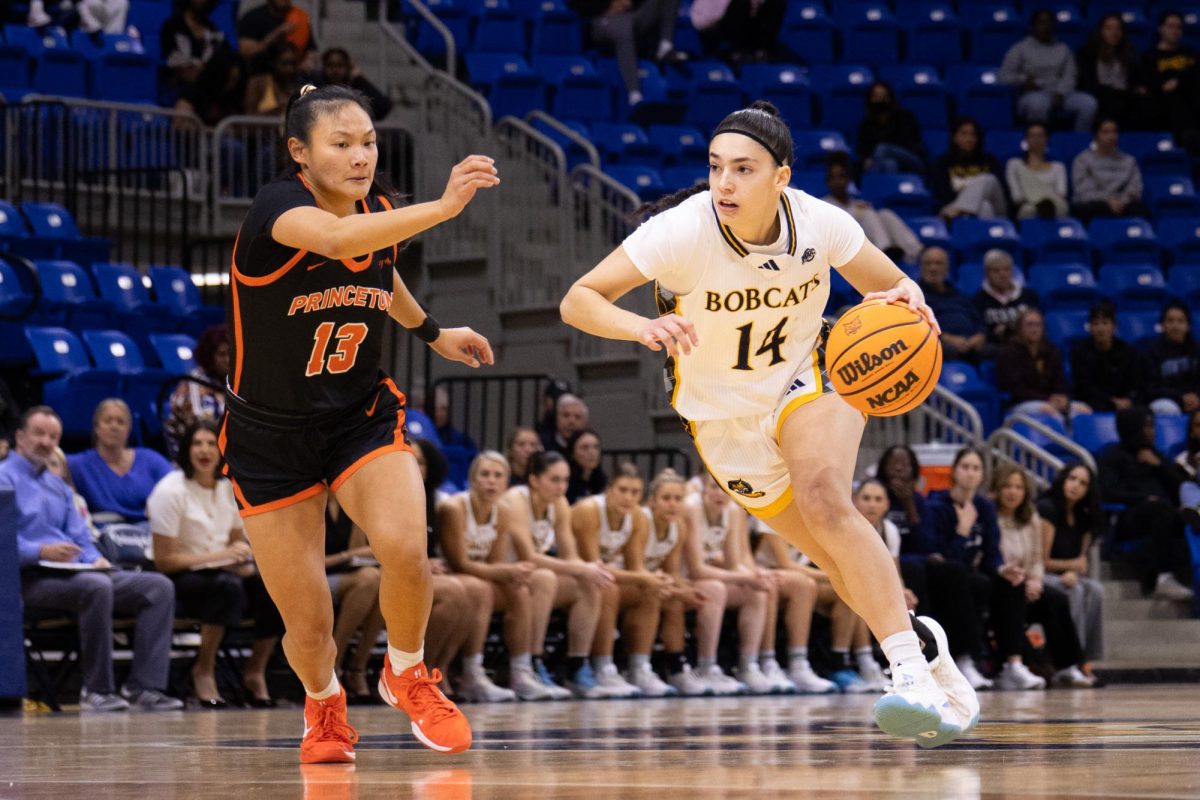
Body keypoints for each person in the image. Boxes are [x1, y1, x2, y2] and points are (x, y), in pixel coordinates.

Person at [562, 98, 979, 744]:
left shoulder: (821, 224)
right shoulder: (680, 230)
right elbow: (578, 300)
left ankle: (904, 672)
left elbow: (895, 286)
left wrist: (911, 305)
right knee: (832, 559)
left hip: (805, 380)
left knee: (826, 501)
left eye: (743, 169)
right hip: (723, 423)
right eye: (716, 167)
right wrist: (641, 325)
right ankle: (924, 641)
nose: (724, 183)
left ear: (781, 176)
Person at [217, 82, 499, 762]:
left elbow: (380, 269)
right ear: (300, 153)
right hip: (269, 435)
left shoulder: (377, 211)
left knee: (405, 544)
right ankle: (324, 706)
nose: (360, 156)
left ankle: (406, 671)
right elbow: (342, 240)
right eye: (340, 144)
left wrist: (433, 332)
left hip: (357, 415)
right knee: (309, 622)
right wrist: (444, 206)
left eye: (368, 142)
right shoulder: (277, 211)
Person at [0, 407, 183, 712]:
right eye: (39, 434)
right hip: (27, 578)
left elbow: (80, 535)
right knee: (96, 587)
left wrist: (95, 557)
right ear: (20, 436)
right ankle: (96, 690)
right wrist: (39, 551)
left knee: (157, 587)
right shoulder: (4, 478)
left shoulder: (57, 484)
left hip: (74, 571)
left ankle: (144, 687)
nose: (46, 442)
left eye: (53, 436)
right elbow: (3, 543)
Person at [148, 419, 283, 708]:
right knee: (226, 588)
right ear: (186, 450)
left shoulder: (229, 489)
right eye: (197, 443)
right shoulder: (169, 491)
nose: (205, 450)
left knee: (275, 590)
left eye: (211, 443)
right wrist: (219, 558)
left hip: (224, 573)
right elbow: (164, 561)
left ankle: (255, 672)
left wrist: (241, 556)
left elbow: (237, 542)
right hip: (181, 578)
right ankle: (204, 670)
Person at [497, 451, 613, 699]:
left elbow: (569, 555)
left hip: (531, 577)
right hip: (505, 575)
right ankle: (531, 664)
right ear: (534, 479)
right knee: (546, 578)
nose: (562, 487)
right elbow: (528, 556)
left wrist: (590, 568)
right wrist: (582, 568)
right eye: (554, 479)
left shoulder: (559, 504)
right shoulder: (515, 500)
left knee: (590, 583)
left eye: (565, 480)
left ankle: (577, 665)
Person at [437, 451, 546, 702]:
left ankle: (521, 671)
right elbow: (459, 563)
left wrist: (510, 573)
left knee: (519, 589)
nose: (491, 481)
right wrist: (507, 570)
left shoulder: (504, 511)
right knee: (484, 588)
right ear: (472, 479)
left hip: (477, 577)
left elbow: (495, 562)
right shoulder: (454, 507)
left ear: (506, 482)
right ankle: (471, 673)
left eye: (498, 476)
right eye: (485, 474)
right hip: (451, 575)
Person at [877, 446, 986, 691]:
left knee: (953, 571)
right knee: (915, 568)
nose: (899, 468)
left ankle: (964, 657)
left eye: (905, 463)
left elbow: (927, 544)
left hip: (916, 561)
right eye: (894, 462)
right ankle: (922, 651)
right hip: (890, 563)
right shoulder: (875, 494)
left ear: (914, 470)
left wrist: (909, 505)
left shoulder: (917, 500)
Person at [990, 464, 1094, 689]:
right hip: (1000, 585)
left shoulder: (1030, 518)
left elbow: (1037, 558)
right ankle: (1013, 666)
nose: (1012, 492)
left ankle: (1066, 666)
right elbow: (991, 557)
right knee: (1014, 592)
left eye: (1018, 487)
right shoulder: (990, 517)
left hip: (1027, 583)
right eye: (1007, 486)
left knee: (1057, 600)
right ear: (996, 489)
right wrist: (1019, 579)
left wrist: (1035, 580)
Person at [572, 464, 672, 697]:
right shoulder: (588, 511)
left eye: (635, 492)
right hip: (576, 576)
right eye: (623, 490)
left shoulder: (637, 517)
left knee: (650, 591)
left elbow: (636, 567)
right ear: (609, 490)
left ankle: (639, 667)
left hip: (602, 577)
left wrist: (653, 580)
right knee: (609, 588)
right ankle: (603, 667)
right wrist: (648, 577)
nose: (629, 497)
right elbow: (594, 565)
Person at [644, 469, 738, 695]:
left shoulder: (678, 526)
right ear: (652, 501)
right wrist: (679, 590)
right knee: (661, 597)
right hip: (632, 582)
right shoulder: (642, 521)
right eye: (666, 498)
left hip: (654, 582)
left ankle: (680, 669)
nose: (673, 504)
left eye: (678, 499)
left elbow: (673, 571)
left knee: (676, 599)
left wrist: (683, 590)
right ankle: (639, 668)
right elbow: (636, 567)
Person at [681, 474, 776, 694]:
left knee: (757, 591)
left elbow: (734, 564)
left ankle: (748, 666)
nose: (719, 494)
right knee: (716, 589)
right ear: (703, 488)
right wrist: (746, 577)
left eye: (724, 489)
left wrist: (756, 575)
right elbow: (696, 570)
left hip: (709, 578)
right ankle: (706, 667)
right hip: (684, 578)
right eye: (714, 487)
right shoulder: (691, 508)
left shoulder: (733, 511)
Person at [1097, 407, 1196, 601]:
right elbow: (1107, 492)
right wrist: (1143, 499)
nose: (1152, 432)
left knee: (1184, 514)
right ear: (1133, 428)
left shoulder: (1156, 456)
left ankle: (1181, 578)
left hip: (1165, 513)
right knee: (1160, 509)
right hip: (1128, 517)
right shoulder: (1113, 455)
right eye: (1147, 427)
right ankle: (1163, 575)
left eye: (1153, 426)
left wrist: (1159, 466)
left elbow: (1180, 487)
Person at [925, 449, 1002, 691]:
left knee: (1003, 585)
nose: (970, 473)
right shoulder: (937, 505)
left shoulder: (985, 507)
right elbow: (939, 555)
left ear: (982, 475)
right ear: (955, 471)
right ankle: (966, 659)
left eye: (976, 468)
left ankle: (1013, 663)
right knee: (960, 576)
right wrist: (963, 530)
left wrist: (1003, 569)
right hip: (941, 574)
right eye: (965, 467)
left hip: (969, 573)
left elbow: (991, 550)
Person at [1038, 462, 1106, 672]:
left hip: (1063, 575)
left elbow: (1082, 563)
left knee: (1096, 590)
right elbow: (1041, 561)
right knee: (1073, 591)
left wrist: (1073, 570)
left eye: (1083, 483)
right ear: (1063, 479)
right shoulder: (1047, 508)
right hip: (1040, 574)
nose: (1076, 485)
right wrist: (1072, 567)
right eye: (1072, 479)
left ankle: (1085, 656)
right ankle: (1067, 661)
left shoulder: (1084, 517)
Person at [322, 493, 386, 703]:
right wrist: (344, 557)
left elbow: (365, 550)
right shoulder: (306, 502)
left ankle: (357, 666)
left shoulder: (350, 502)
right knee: (369, 579)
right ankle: (334, 664)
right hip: (311, 580)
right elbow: (306, 560)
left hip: (345, 576)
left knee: (382, 581)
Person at [67, 398, 173, 524]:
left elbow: (176, 487)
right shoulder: (79, 464)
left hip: (149, 530)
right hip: (102, 534)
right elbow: (52, 460)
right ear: (96, 427)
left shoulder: (150, 460)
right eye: (108, 421)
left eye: (120, 422)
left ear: (128, 430)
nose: (114, 426)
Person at [569, 0, 686, 106]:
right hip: (602, 19)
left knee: (625, 24)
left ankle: (665, 46)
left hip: (631, 16)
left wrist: (629, 3)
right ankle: (634, 93)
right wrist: (607, 7)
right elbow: (576, 5)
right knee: (623, 29)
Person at [999, 9, 1098, 133]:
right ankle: (1039, 140)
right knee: (1038, 104)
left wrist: (1060, 93)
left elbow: (1070, 76)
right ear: (1033, 26)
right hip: (1033, 94)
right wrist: (1024, 80)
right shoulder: (1020, 48)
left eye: (1049, 23)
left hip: (1060, 94)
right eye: (1041, 22)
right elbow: (1004, 76)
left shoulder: (1063, 49)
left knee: (1088, 103)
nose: (1045, 27)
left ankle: (1079, 140)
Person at [822, 152, 922, 264]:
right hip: (848, 248)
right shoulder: (823, 204)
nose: (837, 182)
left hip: (868, 244)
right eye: (833, 178)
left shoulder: (857, 203)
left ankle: (918, 251)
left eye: (841, 177)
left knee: (885, 214)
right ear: (828, 181)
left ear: (848, 180)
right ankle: (884, 250)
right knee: (867, 213)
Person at [996, 307, 1091, 422]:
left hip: (1050, 401)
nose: (1034, 329)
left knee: (1083, 409)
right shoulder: (1008, 353)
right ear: (1019, 328)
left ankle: (1078, 439)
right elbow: (1016, 389)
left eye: (1038, 325)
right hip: (1021, 403)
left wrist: (1062, 398)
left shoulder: (1052, 352)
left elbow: (1060, 381)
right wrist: (1047, 399)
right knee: (1049, 411)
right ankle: (1058, 440)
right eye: (1029, 325)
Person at [1136, 11, 1200, 151]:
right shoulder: (1150, 57)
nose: (1175, 31)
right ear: (1161, 28)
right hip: (1165, 104)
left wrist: (1179, 81)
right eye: (1170, 26)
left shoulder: (1191, 53)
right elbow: (1152, 84)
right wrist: (1179, 81)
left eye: (1178, 27)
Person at [164, 322, 229, 459]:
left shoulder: (234, 382)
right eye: (222, 354)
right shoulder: (193, 383)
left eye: (232, 354)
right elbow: (202, 427)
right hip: (189, 457)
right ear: (210, 355)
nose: (228, 360)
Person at [916, 246, 987, 363]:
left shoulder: (958, 294)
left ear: (947, 268)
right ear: (921, 267)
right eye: (928, 263)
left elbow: (978, 321)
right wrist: (948, 338)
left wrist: (979, 336)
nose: (933, 268)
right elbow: (919, 328)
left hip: (971, 342)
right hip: (941, 342)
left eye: (938, 263)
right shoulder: (917, 295)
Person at [1071, 117, 1149, 223]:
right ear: (1096, 135)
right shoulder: (1082, 160)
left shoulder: (1129, 161)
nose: (1111, 136)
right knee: (1085, 209)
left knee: (1140, 209)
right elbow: (1083, 191)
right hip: (1096, 202)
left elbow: (1135, 187)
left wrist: (1121, 201)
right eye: (1105, 132)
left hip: (1122, 203)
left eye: (1114, 132)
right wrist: (1107, 200)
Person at [930, 117, 1007, 220]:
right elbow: (942, 195)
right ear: (954, 137)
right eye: (964, 134)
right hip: (954, 207)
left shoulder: (990, 160)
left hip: (997, 209)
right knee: (985, 207)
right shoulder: (943, 162)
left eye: (973, 135)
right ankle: (981, 234)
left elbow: (999, 191)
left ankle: (958, 210)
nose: (969, 139)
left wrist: (964, 187)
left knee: (988, 179)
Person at [1069, 301, 1138, 413]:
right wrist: (1110, 401)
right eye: (1096, 323)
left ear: (1114, 327)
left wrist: (1129, 399)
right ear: (1090, 327)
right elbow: (1083, 387)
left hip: (1123, 404)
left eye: (1105, 323)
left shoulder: (1128, 352)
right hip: (1091, 403)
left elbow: (1134, 383)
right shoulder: (1079, 352)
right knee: (1076, 409)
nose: (1100, 328)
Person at [1076, 13, 1140, 128]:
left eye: (1118, 29)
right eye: (1109, 28)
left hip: (1125, 96)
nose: (1114, 33)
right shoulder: (1087, 53)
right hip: (1101, 95)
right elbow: (1086, 83)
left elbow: (1133, 81)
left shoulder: (1130, 52)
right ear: (1101, 31)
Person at [1139, 300, 1200, 416]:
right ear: (1162, 325)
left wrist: (1197, 397)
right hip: (1165, 401)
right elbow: (1149, 389)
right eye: (1170, 321)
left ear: (1188, 326)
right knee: (1166, 408)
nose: (1175, 325)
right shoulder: (1151, 352)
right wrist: (1180, 397)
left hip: (1195, 401)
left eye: (1180, 321)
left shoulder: (1197, 351)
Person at [160, 0, 232, 95]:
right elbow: (178, 69)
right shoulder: (172, 27)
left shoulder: (214, 31)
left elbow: (227, 62)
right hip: (178, 92)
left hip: (209, 93)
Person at [973, 249, 1041, 347]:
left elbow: (1038, 325)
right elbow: (979, 332)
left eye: (1006, 269)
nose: (1002, 274)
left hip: (1026, 346)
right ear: (987, 273)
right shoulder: (978, 300)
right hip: (995, 348)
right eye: (996, 270)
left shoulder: (1029, 296)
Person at [856, 81, 925, 175]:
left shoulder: (905, 117)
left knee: (881, 148)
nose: (880, 101)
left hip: (911, 159)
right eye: (876, 97)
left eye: (884, 96)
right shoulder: (866, 124)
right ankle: (888, 188)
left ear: (890, 98)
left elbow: (909, 144)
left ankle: (872, 184)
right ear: (870, 99)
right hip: (884, 162)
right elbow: (862, 151)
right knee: (890, 164)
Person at [1005, 123, 1069, 220]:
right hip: (1028, 205)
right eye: (1032, 136)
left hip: (1055, 205)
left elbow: (1061, 193)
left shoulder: (1058, 167)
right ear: (1026, 139)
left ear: (1046, 139)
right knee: (1028, 210)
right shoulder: (1014, 164)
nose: (1036, 140)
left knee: (1058, 206)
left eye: (1040, 136)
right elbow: (1017, 197)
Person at [690, 0, 784, 64]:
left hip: (756, 34)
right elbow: (699, 22)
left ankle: (763, 53)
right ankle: (737, 53)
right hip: (722, 35)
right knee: (741, 3)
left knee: (775, 2)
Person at [237, 0, 316, 74]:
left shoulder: (300, 16)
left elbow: (310, 50)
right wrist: (276, 34)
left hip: (293, 77)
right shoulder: (253, 17)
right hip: (261, 76)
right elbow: (245, 51)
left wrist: (308, 62)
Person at [318, 47, 392, 120]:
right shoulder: (317, 88)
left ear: (348, 68)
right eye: (330, 65)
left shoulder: (356, 89)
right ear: (323, 68)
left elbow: (384, 107)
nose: (335, 70)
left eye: (340, 65)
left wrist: (360, 79)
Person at [244, 43, 302, 117]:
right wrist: (276, 111)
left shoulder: (299, 88)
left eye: (293, 64)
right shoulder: (258, 83)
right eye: (284, 64)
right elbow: (248, 117)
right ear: (273, 63)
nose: (290, 69)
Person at [565, 428, 607, 504]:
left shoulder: (603, 481)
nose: (592, 453)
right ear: (572, 454)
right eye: (584, 447)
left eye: (596, 447)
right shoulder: (565, 482)